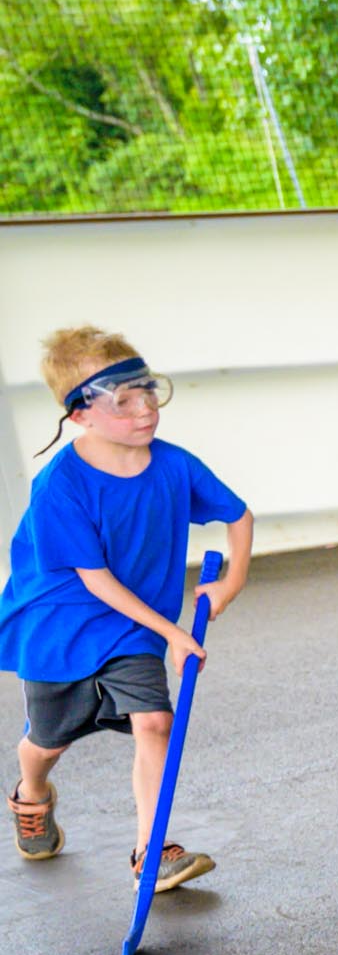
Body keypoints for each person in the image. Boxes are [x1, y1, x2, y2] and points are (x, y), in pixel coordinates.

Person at [2, 326, 252, 892]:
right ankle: (31, 793)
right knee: (48, 740)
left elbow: (238, 515)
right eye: (123, 400)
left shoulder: (172, 465)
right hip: (61, 624)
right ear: (80, 416)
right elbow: (95, 580)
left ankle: (151, 849)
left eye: (149, 392)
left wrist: (232, 581)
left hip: (131, 625)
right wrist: (175, 633)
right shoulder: (59, 485)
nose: (144, 410)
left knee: (156, 721)